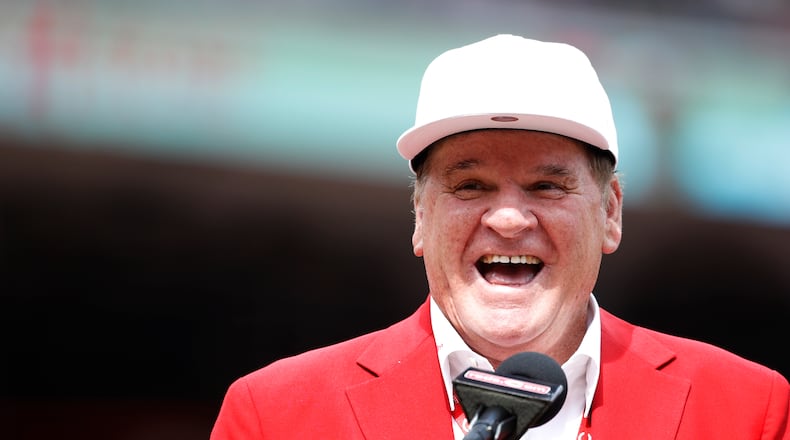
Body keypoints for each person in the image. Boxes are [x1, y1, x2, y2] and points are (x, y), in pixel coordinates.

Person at [210, 34, 789, 439]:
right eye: (470, 186)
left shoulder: (749, 409)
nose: (509, 219)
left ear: (611, 213)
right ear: (419, 217)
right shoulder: (274, 414)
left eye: (546, 186)